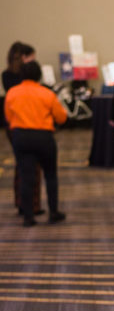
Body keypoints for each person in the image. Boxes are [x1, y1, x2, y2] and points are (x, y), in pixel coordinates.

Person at [4, 60, 68, 226]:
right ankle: (53, 212)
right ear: (39, 76)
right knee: (50, 175)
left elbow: (8, 117)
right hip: (43, 137)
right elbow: (61, 117)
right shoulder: (46, 94)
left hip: (21, 137)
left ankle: (28, 216)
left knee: (26, 176)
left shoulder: (12, 93)